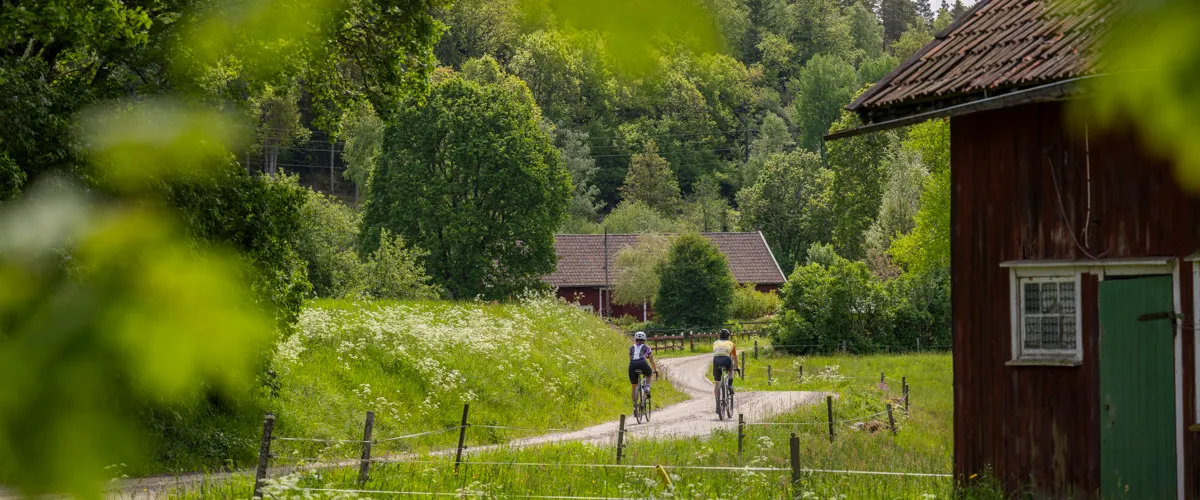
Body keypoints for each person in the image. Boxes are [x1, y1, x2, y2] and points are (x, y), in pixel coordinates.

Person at [628, 331, 658, 405]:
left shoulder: (631, 347)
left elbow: (631, 358)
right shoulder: (647, 347)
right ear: (644, 339)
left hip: (632, 365)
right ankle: (647, 387)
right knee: (649, 374)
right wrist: (655, 370)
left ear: (635, 339)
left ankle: (635, 406)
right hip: (642, 363)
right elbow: (651, 360)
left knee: (634, 386)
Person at [712, 328, 738, 405]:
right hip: (726, 359)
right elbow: (734, 357)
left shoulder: (715, 342)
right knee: (731, 370)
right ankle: (729, 384)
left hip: (716, 360)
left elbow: (715, 352)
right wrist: (736, 367)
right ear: (728, 336)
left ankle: (717, 403)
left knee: (717, 383)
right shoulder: (731, 343)